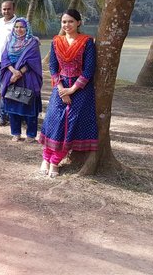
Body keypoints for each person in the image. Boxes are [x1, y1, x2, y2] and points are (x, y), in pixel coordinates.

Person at [39, 9, 98, 178]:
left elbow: (89, 69)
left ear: (78, 23)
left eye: (70, 21)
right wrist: (61, 89)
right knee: (53, 121)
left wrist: (72, 90)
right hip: (60, 87)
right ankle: (45, 158)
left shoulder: (87, 42)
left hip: (81, 90)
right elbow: (53, 67)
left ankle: (55, 161)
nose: (67, 25)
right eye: (64, 22)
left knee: (69, 125)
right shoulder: (56, 41)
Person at [0, 18, 42, 142]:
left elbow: (33, 61)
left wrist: (19, 73)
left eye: (22, 27)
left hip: (28, 77)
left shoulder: (32, 42)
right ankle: (16, 133)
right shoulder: (9, 41)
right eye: (16, 27)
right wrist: (13, 72)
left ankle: (30, 135)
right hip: (11, 77)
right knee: (12, 104)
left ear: (27, 28)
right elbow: (5, 58)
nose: (19, 29)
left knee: (29, 103)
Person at [0, 0, 18, 126]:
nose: (6, 11)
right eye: (4, 9)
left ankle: (3, 116)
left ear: (14, 9)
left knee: (6, 89)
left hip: (10, 63)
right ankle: (6, 115)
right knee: (3, 89)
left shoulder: (18, 23)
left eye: (8, 9)